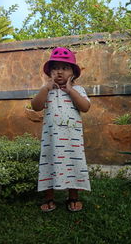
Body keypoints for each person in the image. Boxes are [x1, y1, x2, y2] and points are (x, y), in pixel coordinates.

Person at [31, 47, 91, 212]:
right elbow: (35, 106)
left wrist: (70, 90)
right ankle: (49, 197)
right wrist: (45, 89)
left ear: (73, 73)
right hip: (51, 139)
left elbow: (85, 107)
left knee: (73, 163)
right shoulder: (46, 91)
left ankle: (73, 196)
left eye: (65, 68)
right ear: (49, 72)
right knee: (49, 163)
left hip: (72, 140)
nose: (59, 72)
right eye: (56, 68)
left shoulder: (78, 90)